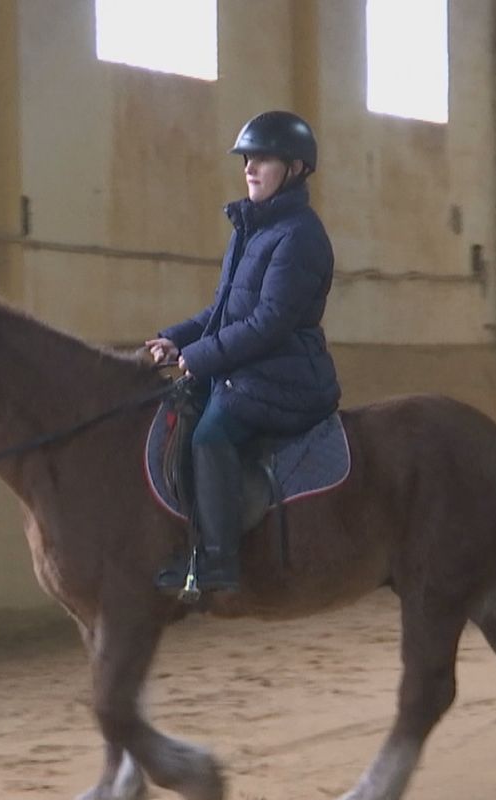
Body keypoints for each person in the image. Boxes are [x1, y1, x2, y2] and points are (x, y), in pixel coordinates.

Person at [146, 110, 341, 594]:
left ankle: (219, 560)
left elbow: (269, 322)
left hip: (284, 376)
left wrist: (202, 356)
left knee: (210, 434)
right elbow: (222, 311)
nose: (249, 168)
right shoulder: (250, 229)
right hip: (248, 367)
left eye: (263, 159)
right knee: (177, 414)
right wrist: (177, 339)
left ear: (295, 169)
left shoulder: (300, 235)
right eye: (246, 159)